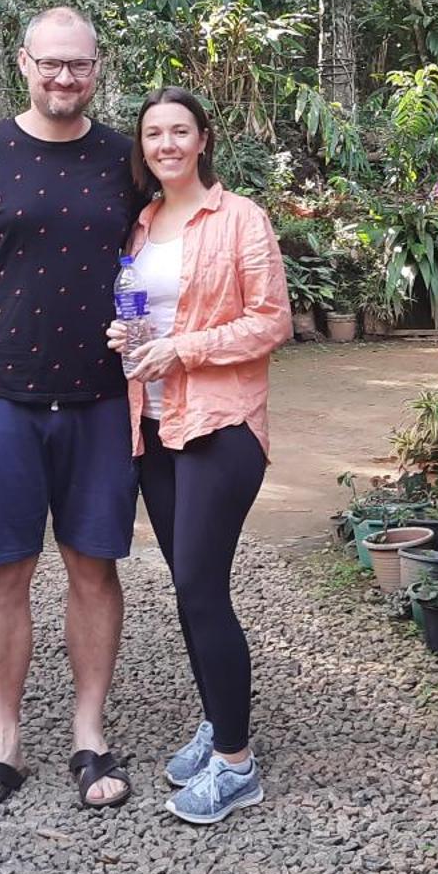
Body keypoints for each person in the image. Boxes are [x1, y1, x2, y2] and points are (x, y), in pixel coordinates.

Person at [0, 7, 144, 821]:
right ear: (23, 63)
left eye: (78, 65)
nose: (63, 78)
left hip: (99, 401)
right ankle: (4, 742)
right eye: (50, 64)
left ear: (97, 68)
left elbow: (165, 261)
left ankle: (90, 733)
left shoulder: (127, 160)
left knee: (94, 567)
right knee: (3, 572)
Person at [105, 86, 291, 825]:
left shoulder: (240, 217)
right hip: (152, 428)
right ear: (143, 146)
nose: (167, 144)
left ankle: (238, 764)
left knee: (204, 591)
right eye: (154, 133)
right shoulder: (142, 224)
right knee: (188, 587)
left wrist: (181, 349)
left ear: (204, 138)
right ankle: (219, 723)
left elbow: (269, 321)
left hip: (221, 425)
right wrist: (128, 338)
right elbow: (137, 311)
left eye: (180, 131)